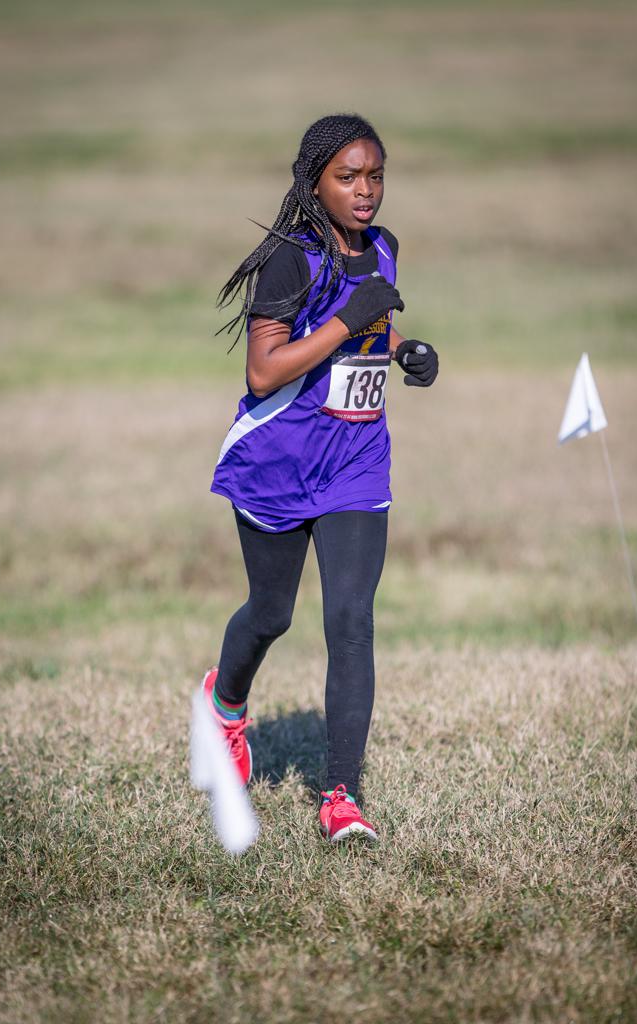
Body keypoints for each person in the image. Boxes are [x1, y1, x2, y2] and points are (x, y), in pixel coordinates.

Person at [202, 113, 438, 842]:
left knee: (351, 621)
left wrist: (402, 350)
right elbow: (263, 369)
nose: (366, 191)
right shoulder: (289, 260)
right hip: (278, 463)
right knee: (272, 614)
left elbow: (372, 319)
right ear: (314, 184)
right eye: (348, 177)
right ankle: (226, 707)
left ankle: (342, 796)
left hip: (357, 463)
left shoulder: (385, 249)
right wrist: (348, 323)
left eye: (375, 176)